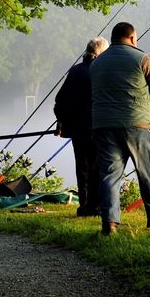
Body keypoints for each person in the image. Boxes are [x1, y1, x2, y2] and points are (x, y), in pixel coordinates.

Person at [90, 21, 150, 235]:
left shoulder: (97, 63)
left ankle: (109, 222)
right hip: (137, 124)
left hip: (103, 125)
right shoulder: (142, 59)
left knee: (110, 174)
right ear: (132, 38)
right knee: (148, 171)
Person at [54, 36, 109, 217]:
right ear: (101, 53)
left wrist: (61, 120)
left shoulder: (75, 71)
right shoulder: (99, 72)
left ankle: (84, 205)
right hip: (96, 128)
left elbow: (60, 101)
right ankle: (95, 207)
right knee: (97, 169)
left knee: (82, 169)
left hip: (77, 130)